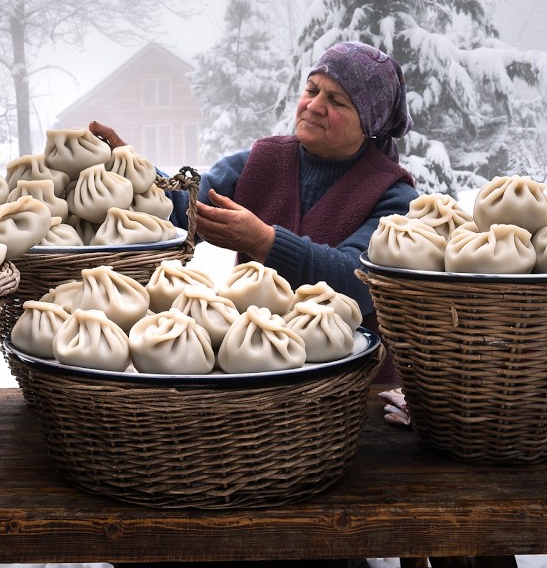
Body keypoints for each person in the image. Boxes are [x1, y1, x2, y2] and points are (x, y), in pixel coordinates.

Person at [91, 41, 417, 415]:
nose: (314, 106)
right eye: (311, 90)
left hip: (349, 392)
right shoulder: (262, 163)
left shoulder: (393, 194)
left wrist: (265, 242)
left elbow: (361, 281)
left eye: (337, 101)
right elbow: (185, 210)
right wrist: (135, 173)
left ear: (370, 122)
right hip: (257, 388)